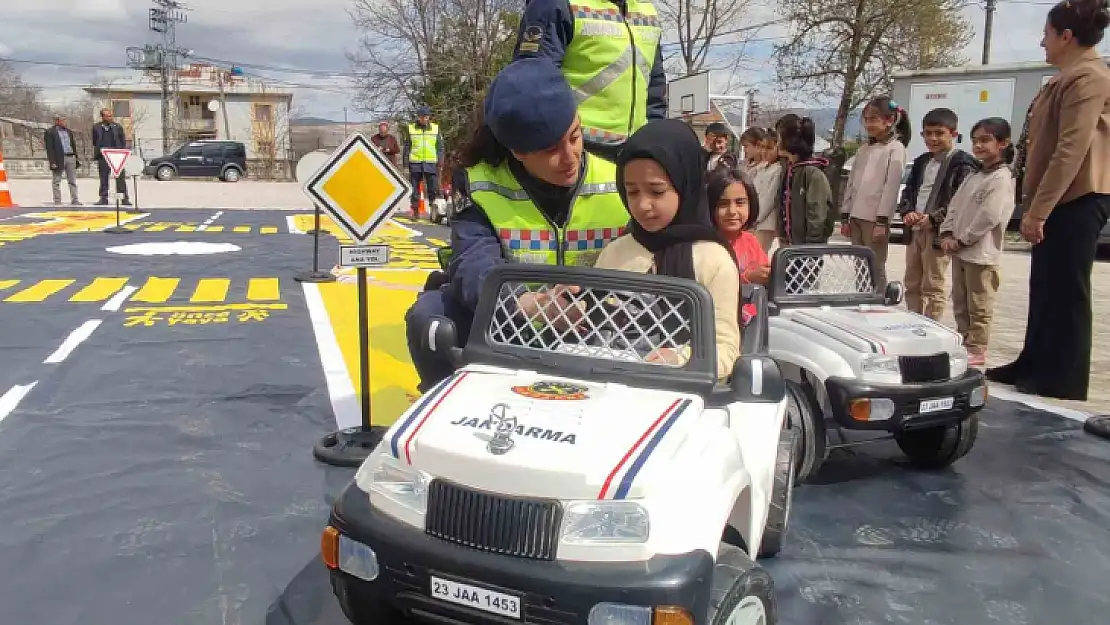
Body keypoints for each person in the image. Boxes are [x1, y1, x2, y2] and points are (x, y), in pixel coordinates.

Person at [404, 58, 629, 391]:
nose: (570, 157)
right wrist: (521, 303)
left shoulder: (623, 181)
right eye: (551, 149)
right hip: (512, 330)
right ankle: (448, 403)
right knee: (431, 315)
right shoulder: (482, 186)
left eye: (575, 136)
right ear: (516, 152)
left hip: (600, 326)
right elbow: (472, 263)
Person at [987, 0, 1110, 401]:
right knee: (1044, 285)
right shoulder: (1066, 76)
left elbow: (1071, 148)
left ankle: (1062, 378)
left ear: (1066, 36)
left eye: (1046, 33)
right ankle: (1034, 361)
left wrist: (1039, 209)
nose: (1042, 41)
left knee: (1067, 290)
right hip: (1056, 197)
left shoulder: (1089, 76)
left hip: (1077, 196)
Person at [593, 119, 740, 380]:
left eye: (657, 191)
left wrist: (680, 359)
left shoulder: (712, 260)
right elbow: (598, 320)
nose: (643, 205)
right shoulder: (615, 251)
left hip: (685, 395)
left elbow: (726, 348)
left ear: (686, 184)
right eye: (632, 192)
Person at [511, 0, 667, 161]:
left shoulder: (648, 12)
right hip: (574, 151)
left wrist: (652, 140)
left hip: (635, 152)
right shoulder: (556, 4)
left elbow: (655, 86)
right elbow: (533, 85)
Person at [937, 117, 1015, 367]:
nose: (978, 146)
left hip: (981, 254)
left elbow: (989, 216)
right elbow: (954, 205)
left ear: (1003, 143)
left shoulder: (1002, 178)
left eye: (985, 140)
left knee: (979, 303)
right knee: (960, 300)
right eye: (975, 141)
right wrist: (947, 233)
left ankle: (977, 347)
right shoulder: (974, 175)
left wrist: (963, 239)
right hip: (959, 250)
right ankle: (963, 339)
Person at [896, 107, 978, 320]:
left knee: (933, 285)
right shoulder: (922, 161)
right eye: (927, 133)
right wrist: (908, 212)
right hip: (915, 230)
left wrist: (933, 219)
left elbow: (959, 201)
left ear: (953, 133)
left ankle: (931, 327)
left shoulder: (962, 164)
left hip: (938, 233)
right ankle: (913, 321)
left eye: (939, 133)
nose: (933, 138)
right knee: (912, 282)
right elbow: (909, 191)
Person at [839, 96, 910, 290]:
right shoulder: (864, 149)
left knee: (875, 265)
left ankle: (878, 300)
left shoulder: (895, 148)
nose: (869, 124)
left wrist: (882, 221)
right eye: (867, 119)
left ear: (889, 120)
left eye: (874, 119)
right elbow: (851, 183)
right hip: (856, 216)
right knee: (859, 265)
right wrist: (845, 216)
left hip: (874, 219)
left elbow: (891, 187)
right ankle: (863, 298)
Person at [776, 115, 834, 246]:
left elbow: (817, 214)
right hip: (789, 244)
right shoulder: (790, 169)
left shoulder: (813, 174)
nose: (777, 143)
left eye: (780, 138)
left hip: (806, 249)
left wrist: (811, 247)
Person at [707, 168, 771, 287]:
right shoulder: (707, 246)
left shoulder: (751, 241)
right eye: (723, 204)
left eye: (740, 202)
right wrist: (747, 278)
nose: (732, 211)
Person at [404, 106, 443, 216]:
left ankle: (433, 211)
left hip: (430, 163)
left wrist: (440, 161)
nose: (425, 119)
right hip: (415, 162)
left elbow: (440, 147)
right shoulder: (411, 128)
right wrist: (406, 164)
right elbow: (407, 146)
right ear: (419, 117)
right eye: (422, 117)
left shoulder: (435, 128)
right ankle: (415, 211)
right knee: (415, 188)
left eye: (426, 117)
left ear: (429, 117)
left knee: (432, 188)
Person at [751, 128, 783, 252]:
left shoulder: (778, 170)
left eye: (769, 148)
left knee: (759, 253)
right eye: (762, 147)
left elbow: (770, 198)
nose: (764, 151)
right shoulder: (762, 167)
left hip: (765, 221)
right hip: (755, 218)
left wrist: (757, 218)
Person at [92, 108, 130, 206]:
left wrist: (121, 151)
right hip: (103, 155)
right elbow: (95, 141)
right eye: (107, 116)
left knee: (120, 178)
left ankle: (124, 198)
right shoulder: (96, 127)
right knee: (104, 178)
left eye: (110, 116)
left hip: (117, 155)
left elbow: (122, 140)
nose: (110, 118)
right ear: (103, 117)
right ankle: (103, 198)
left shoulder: (117, 127)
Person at [44, 114, 81, 206]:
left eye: (65, 120)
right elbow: (50, 148)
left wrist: (76, 158)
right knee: (56, 181)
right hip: (59, 158)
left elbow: (73, 145)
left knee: (72, 181)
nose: (65, 122)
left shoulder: (69, 131)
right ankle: (57, 201)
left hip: (70, 157)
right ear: (57, 122)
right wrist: (52, 162)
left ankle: (75, 200)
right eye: (62, 121)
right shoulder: (50, 132)